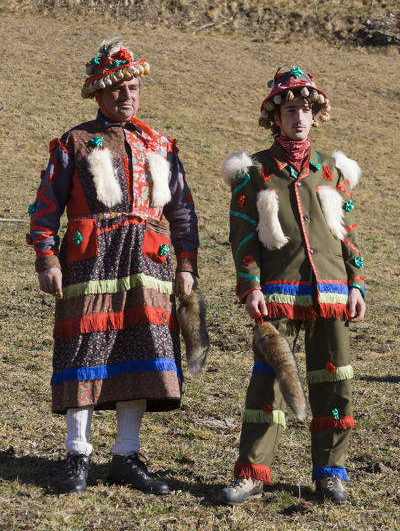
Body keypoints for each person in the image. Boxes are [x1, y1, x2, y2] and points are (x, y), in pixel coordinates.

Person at [27, 39, 200, 494]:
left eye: (134, 87)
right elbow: (45, 208)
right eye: (118, 88)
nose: (127, 95)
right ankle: (77, 456)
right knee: (87, 351)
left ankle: (126, 455)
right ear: (99, 93)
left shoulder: (160, 145)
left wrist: (186, 264)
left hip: (149, 261)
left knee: (141, 348)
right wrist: (47, 256)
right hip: (91, 263)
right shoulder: (75, 142)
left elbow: (181, 212)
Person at [219, 66, 365, 505]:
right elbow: (242, 234)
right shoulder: (256, 172)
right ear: (275, 117)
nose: (298, 118)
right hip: (277, 292)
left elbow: (347, 233)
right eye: (290, 110)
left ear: (315, 114)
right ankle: (252, 472)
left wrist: (356, 283)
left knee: (335, 380)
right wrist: (250, 286)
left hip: (332, 293)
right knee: (268, 381)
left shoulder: (331, 171)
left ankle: (330, 472)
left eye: (305, 109)